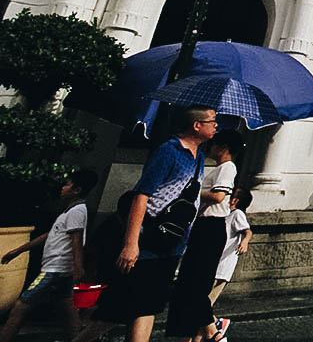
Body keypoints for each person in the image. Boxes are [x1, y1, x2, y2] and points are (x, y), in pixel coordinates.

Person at [72, 105, 215, 342]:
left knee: (149, 307)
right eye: (211, 121)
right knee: (116, 311)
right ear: (196, 125)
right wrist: (131, 243)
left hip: (172, 245)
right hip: (146, 242)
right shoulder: (169, 151)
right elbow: (142, 196)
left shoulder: (198, 157)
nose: (216, 126)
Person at [0, 169, 98, 342]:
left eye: (67, 184)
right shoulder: (70, 211)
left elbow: (76, 241)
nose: (63, 187)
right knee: (68, 311)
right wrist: (18, 251)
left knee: (20, 307)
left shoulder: (76, 212)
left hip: (54, 270)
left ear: (77, 190)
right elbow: (50, 235)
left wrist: (78, 267)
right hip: (60, 270)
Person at [167, 128, 243, 342]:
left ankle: (213, 332)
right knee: (192, 283)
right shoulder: (220, 168)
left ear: (224, 147)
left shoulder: (227, 168)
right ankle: (198, 334)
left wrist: (191, 191)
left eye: (215, 143)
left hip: (211, 227)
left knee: (195, 284)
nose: (211, 147)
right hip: (204, 226)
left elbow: (219, 196)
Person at [209, 188, 253, 306]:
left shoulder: (237, 214)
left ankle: (217, 324)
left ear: (234, 200)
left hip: (222, 266)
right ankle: (215, 323)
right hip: (215, 264)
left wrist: (245, 242)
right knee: (203, 304)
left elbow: (247, 231)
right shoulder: (225, 214)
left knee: (204, 304)